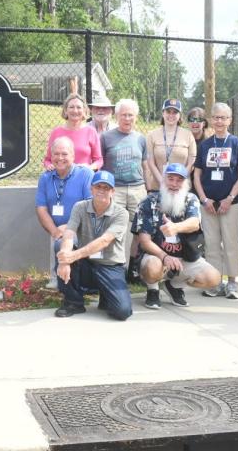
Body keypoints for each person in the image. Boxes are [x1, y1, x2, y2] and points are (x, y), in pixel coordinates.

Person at [135, 163, 220, 308]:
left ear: (186, 183)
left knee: (214, 278)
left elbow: (194, 223)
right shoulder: (148, 202)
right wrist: (165, 257)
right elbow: (144, 241)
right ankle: (153, 289)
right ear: (163, 180)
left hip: (184, 256)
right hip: (156, 256)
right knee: (153, 268)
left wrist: (175, 227)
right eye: (170, 179)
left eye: (179, 180)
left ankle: (174, 285)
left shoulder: (191, 199)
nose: (174, 184)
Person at [54, 170, 132, 321]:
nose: (101, 191)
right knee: (60, 246)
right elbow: (69, 233)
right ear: (91, 189)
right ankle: (73, 302)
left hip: (110, 265)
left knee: (122, 312)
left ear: (113, 191)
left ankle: (106, 296)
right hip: (87, 263)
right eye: (98, 187)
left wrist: (72, 256)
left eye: (106, 188)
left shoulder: (121, 213)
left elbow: (104, 241)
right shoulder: (80, 206)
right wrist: (64, 259)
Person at [193, 102, 238, 299]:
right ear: (210, 120)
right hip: (208, 205)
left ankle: (232, 282)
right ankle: (215, 281)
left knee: (231, 242)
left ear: (230, 120)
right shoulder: (205, 145)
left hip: (231, 203)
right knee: (212, 244)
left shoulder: (237, 144)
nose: (219, 121)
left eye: (224, 117)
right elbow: (197, 175)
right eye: (216, 117)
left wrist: (229, 198)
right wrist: (204, 199)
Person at [35, 137, 94, 288]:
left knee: (64, 242)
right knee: (59, 240)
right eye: (56, 154)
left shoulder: (85, 174)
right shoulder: (45, 178)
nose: (60, 158)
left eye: (64, 154)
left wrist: (69, 227)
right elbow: (41, 209)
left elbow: (91, 206)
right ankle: (58, 278)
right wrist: (55, 231)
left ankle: (73, 282)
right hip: (56, 231)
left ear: (73, 156)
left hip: (82, 229)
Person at [100, 98, 147, 281]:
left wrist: (149, 190)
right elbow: (100, 164)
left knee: (140, 229)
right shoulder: (106, 137)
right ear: (117, 116)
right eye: (123, 115)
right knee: (112, 229)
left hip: (137, 189)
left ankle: (134, 269)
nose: (127, 118)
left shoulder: (141, 139)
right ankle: (114, 268)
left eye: (131, 115)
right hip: (115, 189)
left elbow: (146, 165)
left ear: (136, 117)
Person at [144, 98, 197, 192]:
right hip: (158, 187)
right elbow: (150, 163)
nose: (171, 115)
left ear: (180, 115)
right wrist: (162, 183)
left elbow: (191, 163)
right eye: (168, 111)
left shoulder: (188, 135)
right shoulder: (151, 135)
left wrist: (178, 182)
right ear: (163, 113)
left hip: (181, 188)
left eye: (175, 112)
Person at [43, 93, 103, 171]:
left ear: (84, 110)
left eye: (79, 107)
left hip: (83, 176)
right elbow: (47, 160)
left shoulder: (91, 132)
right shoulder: (56, 132)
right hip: (61, 178)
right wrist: (49, 165)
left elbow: (99, 160)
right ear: (65, 110)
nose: (75, 110)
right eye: (71, 107)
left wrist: (89, 167)